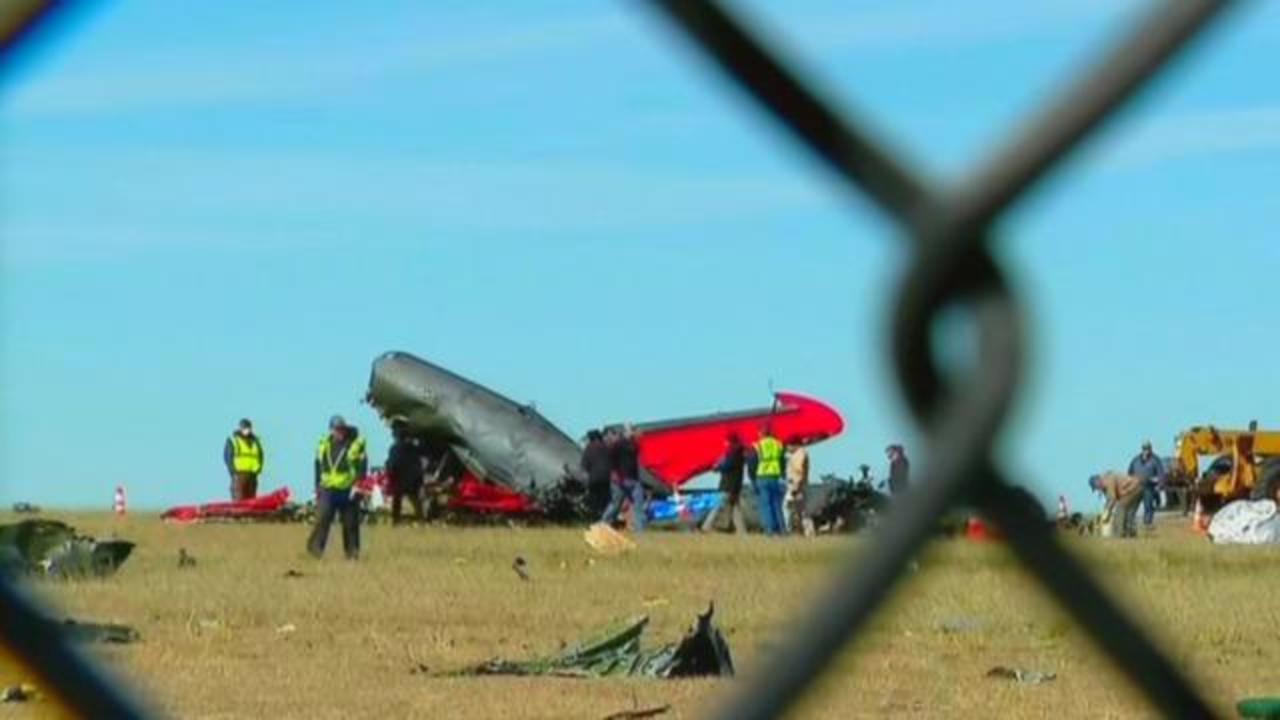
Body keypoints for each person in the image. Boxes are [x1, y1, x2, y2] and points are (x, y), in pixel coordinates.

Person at [307, 415, 368, 560]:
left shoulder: (355, 444)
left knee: (350, 524)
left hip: (348, 489)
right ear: (331, 430)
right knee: (322, 519)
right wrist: (317, 485)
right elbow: (317, 464)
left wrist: (358, 484)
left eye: (341, 429)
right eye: (336, 429)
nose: (339, 432)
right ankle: (315, 551)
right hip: (328, 488)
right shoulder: (323, 444)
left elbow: (362, 465)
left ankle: (352, 554)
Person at [600, 425, 646, 531]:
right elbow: (611, 459)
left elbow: (635, 461)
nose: (633, 432)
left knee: (638, 504)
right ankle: (602, 525)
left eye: (633, 430)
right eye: (631, 430)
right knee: (616, 504)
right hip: (619, 480)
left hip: (633, 480)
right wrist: (614, 473)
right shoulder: (618, 444)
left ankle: (640, 531)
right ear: (625, 432)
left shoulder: (635, 445)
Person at [701, 432, 747, 534]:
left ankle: (706, 527)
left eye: (726, 441)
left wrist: (717, 467)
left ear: (730, 442)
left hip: (728, 485)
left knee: (718, 506)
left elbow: (727, 466)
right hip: (735, 486)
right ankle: (742, 532)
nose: (724, 443)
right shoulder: (739, 453)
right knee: (735, 509)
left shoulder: (733, 454)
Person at [386, 420, 426, 525]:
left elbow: (391, 463)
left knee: (397, 499)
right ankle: (420, 518)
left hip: (400, 478)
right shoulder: (413, 448)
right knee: (415, 499)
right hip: (412, 478)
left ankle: (396, 520)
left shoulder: (394, 448)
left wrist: (390, 473)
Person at [753, 426, 786, 536]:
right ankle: (782, 530)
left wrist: (753, 478)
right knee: (777, 504)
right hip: (775, 476)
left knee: (766, 505)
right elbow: (782, 461)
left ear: (761, 434)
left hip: (762, 475)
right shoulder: (778, 444)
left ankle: (770, 531)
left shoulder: (759, 445)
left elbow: (753, 462)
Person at [1089, 472, 1142, 538]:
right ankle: (1131, 533)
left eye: (1096, 487)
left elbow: (1112, 499)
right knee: (1128, 512)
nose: (1097, 489)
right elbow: (1109, 500)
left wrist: (1107, 511)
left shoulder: (1108, 480)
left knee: (1120, 508)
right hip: (1137, 488)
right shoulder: (1105, 485)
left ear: (1097, 482)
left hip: (1134, 488)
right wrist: (1106, 510)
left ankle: (1118, 534)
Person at [223, 418, 264, 500]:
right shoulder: (233, 440)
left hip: (252, 474)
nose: (246, 430)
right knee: (239, 498)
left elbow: (260, 455)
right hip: (239, 474)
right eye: (244, 427)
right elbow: (227, 457)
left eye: (248, 427)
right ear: (240, 428)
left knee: (251, 499)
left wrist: (259, 469)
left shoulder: (256, 441)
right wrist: (233, 470)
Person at [1128, 441, 1165, 529]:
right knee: (1133, 505)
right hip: (1136, 486)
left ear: (1151, 449)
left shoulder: (1155, 460)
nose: (1146, 451)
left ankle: (1147, 523)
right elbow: (1129, 473)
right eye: (1144, 449)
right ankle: (1130, 522)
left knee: (1148, 505)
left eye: (1148, 448)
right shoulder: (1135, 460)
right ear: (1142, 449)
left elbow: (1161, 474)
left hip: (1149, 486)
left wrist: (1159, 485)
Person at [579, 429, 612, 518]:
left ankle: (594, 519)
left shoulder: (589, 448)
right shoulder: (606, 447)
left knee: (594, 501)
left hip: (594, 479)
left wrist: (585, 481)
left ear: (591, 438)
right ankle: (605, 520)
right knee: (605, 501)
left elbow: (584, 466)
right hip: (607, 479)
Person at [784, 443, 814, 536]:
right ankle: (803, 531)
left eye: (788, 446)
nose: (787, 448)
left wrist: (796, 486)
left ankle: (803, 531)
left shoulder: (799, 454)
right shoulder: (798, 454)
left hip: (796, 486)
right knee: (800, 510)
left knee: (796, 509)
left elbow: (799, 471)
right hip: (798, 485)